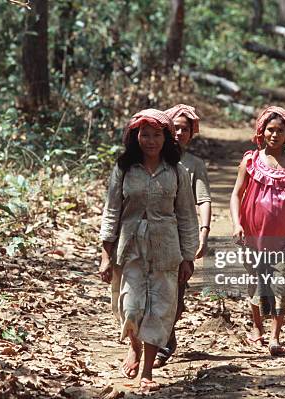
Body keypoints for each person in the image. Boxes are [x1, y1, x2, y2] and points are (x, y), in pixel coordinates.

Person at [99, 109, 198, 392]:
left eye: (157, 135)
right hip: (129, 247)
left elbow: (187, 215)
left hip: (167, 250)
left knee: (160, 308)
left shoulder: (177, 171)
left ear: (166, 138)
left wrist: (188, 257)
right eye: (145, 134)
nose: (150, 140)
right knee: (130, 305)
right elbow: (111, 212)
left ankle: (147, 371)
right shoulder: (123, 169)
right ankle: (134, 346)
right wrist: (106, 254)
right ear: (135, 136)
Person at [230, 106, 285, 356]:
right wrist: (236, 224)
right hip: (252, 237)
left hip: (284, 240)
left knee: (280, 285)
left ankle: (275, 337)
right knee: (256, 283)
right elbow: (236, 195)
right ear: (262, 132)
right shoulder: (250, 161)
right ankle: (258, 328)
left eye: (280, 131)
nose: (275, 135)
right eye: (271, 130)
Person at [153, 104, 212, 368]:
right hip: (152, 234)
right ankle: (159, 339)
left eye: (184, 129)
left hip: (181, 236)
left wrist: (204, 232)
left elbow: (204, 199)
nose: (179, 133)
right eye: (174, 128)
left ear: (191, 133)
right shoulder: (152, 158)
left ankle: (166, 338)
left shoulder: (193, 165)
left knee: (176, 290)